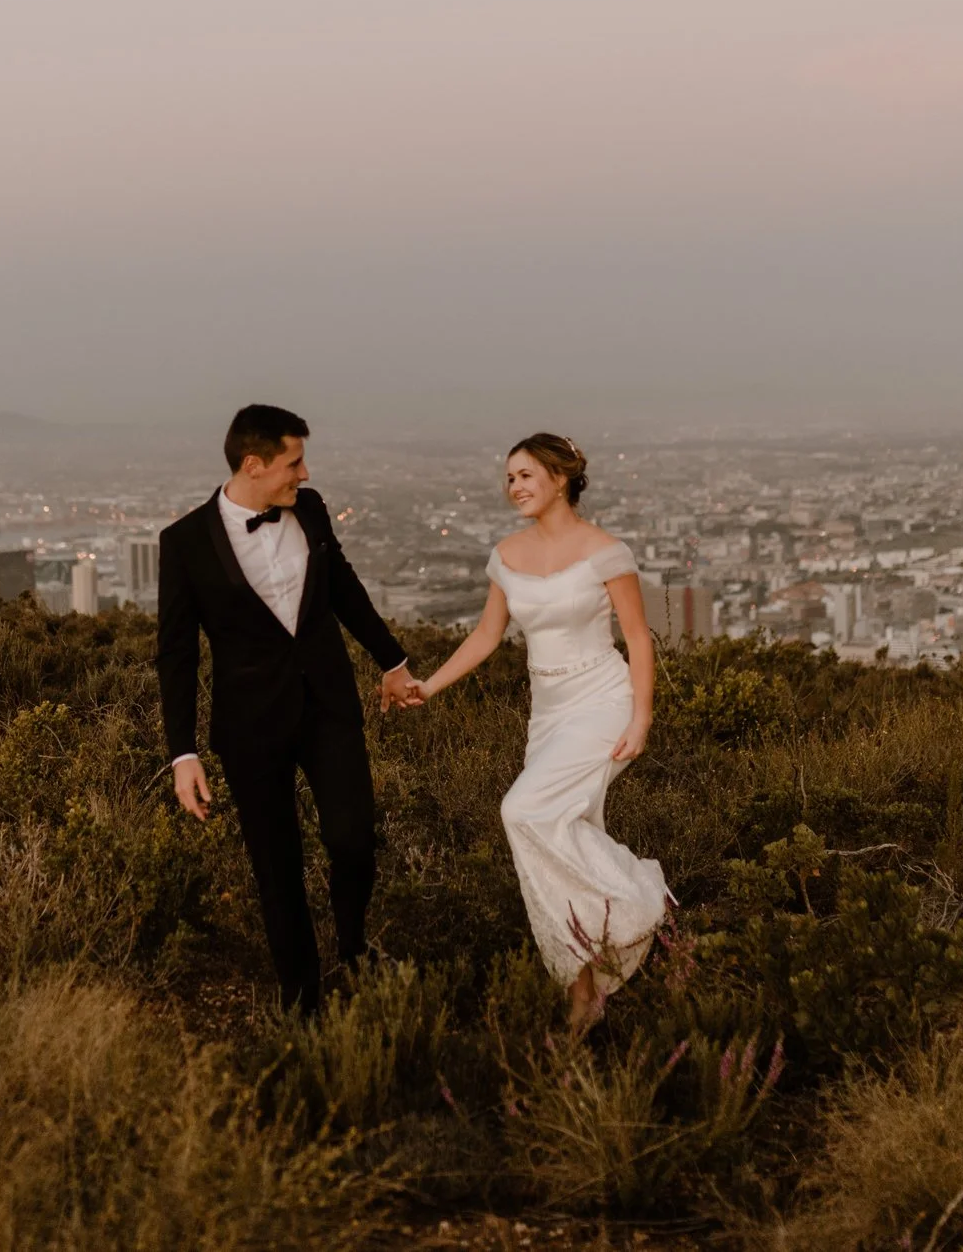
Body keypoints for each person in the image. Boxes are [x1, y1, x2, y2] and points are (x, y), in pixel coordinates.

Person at [157, 404, 423, 1014]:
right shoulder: (185, 543)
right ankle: (302, 1000)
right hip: (249, 728)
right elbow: (175, 654)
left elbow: (343, 587)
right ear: (253, 464)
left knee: (353, 840)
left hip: (328, 706)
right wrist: (182, 752)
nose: (304, 474)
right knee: (277, 868)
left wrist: (392, 661)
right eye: (293, 462)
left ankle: (353, 948)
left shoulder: (311, 508)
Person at [413, 433, 669, 1029]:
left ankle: (638, 897)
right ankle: (585, 986)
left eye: (526, 475)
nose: (515, 487)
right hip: (547, 713)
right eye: (509, 478)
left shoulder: (607, 552)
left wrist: (641, 717)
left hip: (604, 699)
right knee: (562, 828)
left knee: (522, 811)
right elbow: (486, 635)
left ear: (561, 478)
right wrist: (428, 687)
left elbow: (637, 638)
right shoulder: (505, 556)